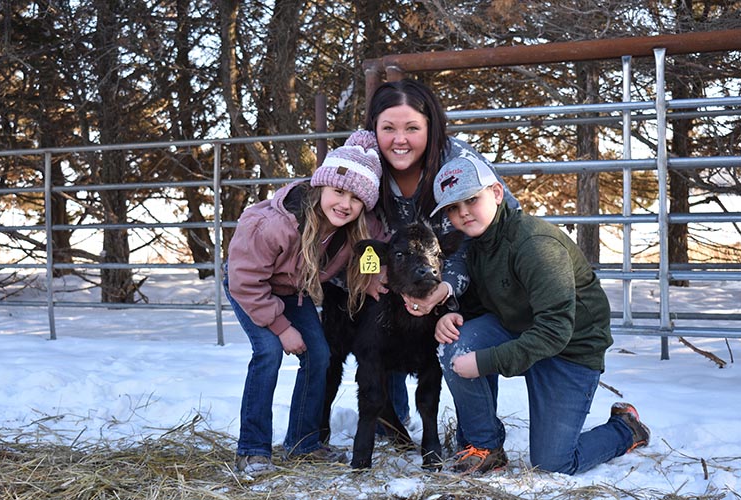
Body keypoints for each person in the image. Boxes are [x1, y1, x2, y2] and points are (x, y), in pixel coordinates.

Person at [431, 153, 650, 475]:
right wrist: (453, 316)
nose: (462, 213)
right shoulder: (476, 244)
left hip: (570, 348)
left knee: (553, 464)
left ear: (495, 193)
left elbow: (555, 330)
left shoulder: (535, 243)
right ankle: (485, 446)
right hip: (518, 328)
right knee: (455, 343)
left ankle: (627, 429)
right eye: (452, 207)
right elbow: (483, 302)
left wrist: (485, 362)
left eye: (471, 200)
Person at [224, 130, 383, 477]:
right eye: (338, 191)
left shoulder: (355, 226)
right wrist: (281, 329)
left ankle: (303, 443)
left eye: (356, 198)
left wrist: (372, 277)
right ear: (321, 186)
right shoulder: (274, 225)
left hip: (293, 291)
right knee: (268, 352)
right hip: (251, 288)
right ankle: (252, 449)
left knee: (320, 355)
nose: (345, 203)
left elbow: (376, 248)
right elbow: (245, 282)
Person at [361, 78, 519, 425]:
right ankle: (391, 418)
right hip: (401, 275)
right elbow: (347, 220)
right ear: (373, 129)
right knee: (379, 318)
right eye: (388, 128)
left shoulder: (457, 162)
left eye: (412, 128)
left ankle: (479, 434)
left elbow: (483, 235)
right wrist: (369, 272)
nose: (399, 140)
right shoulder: (365, 165)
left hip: (468, 273)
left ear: (431, 128)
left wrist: (446, 289)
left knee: (465, 332)